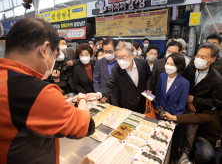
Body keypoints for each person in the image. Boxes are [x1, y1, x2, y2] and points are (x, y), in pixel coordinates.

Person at [0, 17, 95, 164]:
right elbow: (86, 125)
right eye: (55, 55)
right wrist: (82, 98)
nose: (53, 62)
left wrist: (58, 104)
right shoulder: (36, 91)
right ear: (45, 49)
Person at [180, 43, 222, 163]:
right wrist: (187, 99)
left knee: (190, 134)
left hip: (198, 112)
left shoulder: (217, 79)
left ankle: (185, 154)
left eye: (203, 57)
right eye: (198, 55)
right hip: (184, 105)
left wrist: (194, 100)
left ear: (212, 59)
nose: (198, 59)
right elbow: (183, 83)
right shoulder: (190, 68)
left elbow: (217, 101)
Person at [88, 42, 152, 113]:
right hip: (127, 105)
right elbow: (109, 84)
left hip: (142, 102)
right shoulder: (116, 70)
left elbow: (149, 75)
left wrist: (148, 87)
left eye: (124, 57)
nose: (121, 61)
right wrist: (98, 94)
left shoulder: (142, 63)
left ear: (132, 56)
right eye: (118, 58)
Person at [155, 53, 190, 161]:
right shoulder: (162, 76)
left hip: (173, 116)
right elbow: (160, 93)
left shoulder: (184, 83)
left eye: (172, 64)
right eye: (167, 63)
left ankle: (173, 159)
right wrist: (157, 107)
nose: (168, 66)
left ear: (178, 67)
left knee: (173, 142)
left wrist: (174, 118)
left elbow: (182, 104)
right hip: (161, 113)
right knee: (160, 139)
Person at [93, 38, 120, 106]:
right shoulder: (99, 63)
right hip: (104, 97)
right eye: (105, 51)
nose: (108, 54)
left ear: (115, 50)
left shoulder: (120, 63)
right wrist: (99, 95)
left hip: (118, 97)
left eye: (110, 51)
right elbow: (96, 80)